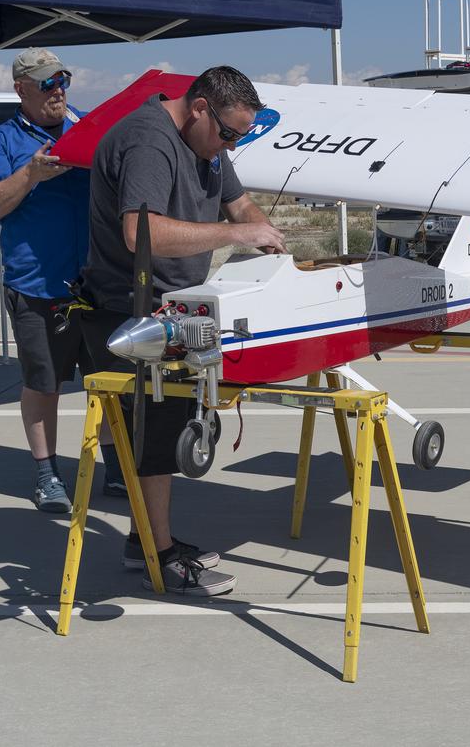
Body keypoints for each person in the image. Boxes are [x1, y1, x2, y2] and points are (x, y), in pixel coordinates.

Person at [81, 65, 286, 596]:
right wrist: (236, 232)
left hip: (178, 305)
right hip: (132, 309)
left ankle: (142, 540)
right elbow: (139, 232)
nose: (230, 145)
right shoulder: (149, 142)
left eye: (239, 136)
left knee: (169, 427)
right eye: (228, 134)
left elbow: (240, 205)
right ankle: (160, 554)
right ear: (199, 108)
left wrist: (267, 240)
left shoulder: (210, 145)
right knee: (155, 434)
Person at [0, 48, 126, 511]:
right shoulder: (0, 143)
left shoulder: (90, 130)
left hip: (99, 284)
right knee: (44, 384)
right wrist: (31, 174)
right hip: (37, 286)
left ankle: (117, 465)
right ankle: (46, 473)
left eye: (63, 81)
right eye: (46, 83)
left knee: (112, 380)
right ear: (21, 90)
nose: (57, 90)